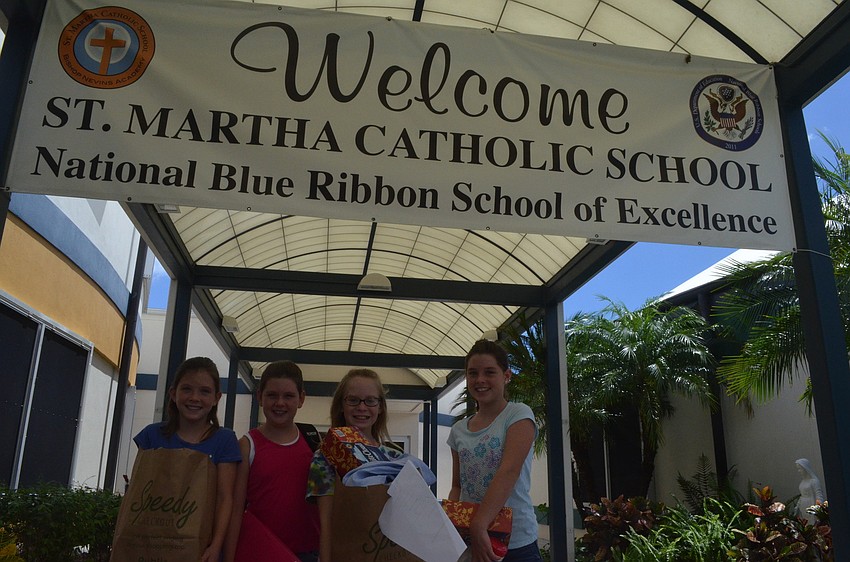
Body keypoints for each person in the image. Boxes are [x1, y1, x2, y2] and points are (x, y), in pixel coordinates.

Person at [134, 356, 241, 562]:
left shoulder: (225, 440)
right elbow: (138, 492)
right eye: (187, 389)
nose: (195, 398)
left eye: (204, 391)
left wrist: (216, 545)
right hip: (151, 549)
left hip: (201, 551)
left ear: (217, 398)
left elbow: (225, 498)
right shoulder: (151, 436)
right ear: (173, 394)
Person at [448, 340, 542, 562]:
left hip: (515, 543)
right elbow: (457, 485)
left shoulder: (518, 415)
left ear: (506, 375)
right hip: (472, 541)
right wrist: (454, 523)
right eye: (473, 373)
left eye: (489, 372)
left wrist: (479, 524)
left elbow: (509, 472)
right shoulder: (458, 430)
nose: (480, 380)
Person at [224, 360, 320, 562]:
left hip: (307, 552)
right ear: (260, 397)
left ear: (301, 399)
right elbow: (235, 509)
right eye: (272, 395)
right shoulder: (248, 445)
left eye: (288, 396)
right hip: (261, 551)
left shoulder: (313, 440)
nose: (280, 403)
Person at [306, 368, 404, 562]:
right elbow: (326, 525)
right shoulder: (326, 456)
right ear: (341, 405)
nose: (362, 407)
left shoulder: (396, 458)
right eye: (353, 400)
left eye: (370, 400)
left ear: (380, 407)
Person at [795, 457, 825, 524]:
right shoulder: (803, 481)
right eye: (798, 469)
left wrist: (819, 510)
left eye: (800, 469)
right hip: (803, 505)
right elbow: (802, 495)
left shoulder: (814, 481)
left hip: (811, 503)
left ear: (805, 469)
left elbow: (818, 495)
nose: (799, 471)